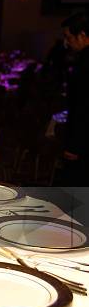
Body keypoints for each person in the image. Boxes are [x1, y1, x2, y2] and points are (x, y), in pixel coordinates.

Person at [61, 12, 89, 184]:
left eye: (69, 37)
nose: (67, 42)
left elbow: (82, 106)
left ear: (83, 35)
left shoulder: (84, 64)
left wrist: (74, 144)